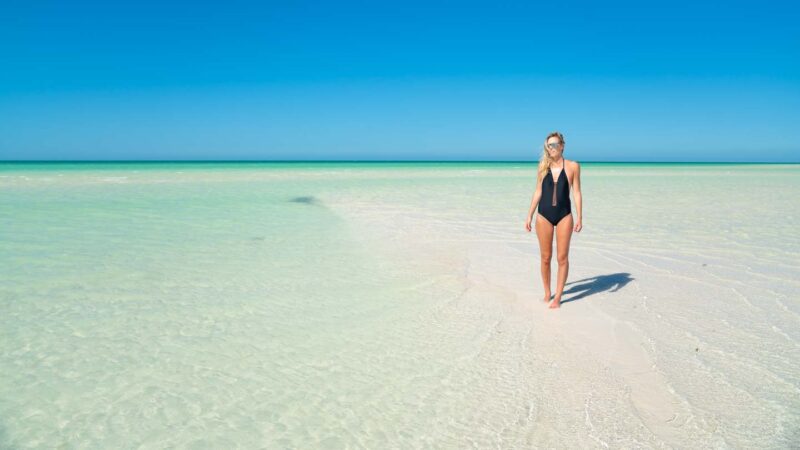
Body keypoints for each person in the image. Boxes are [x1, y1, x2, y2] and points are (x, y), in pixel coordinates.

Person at [525, 131, 583, 309]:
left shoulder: (573, 166)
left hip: (565, 215)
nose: (552, 148)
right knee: (545, 257)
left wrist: (580, 216)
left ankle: (558, 296)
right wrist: (529, 214)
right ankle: (547, 292)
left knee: (562, 258)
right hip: (543, 215)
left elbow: (576, 192)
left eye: (555, 144)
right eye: (549, 145)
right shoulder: (543, 167)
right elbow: (538, 191)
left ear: (562, 146)